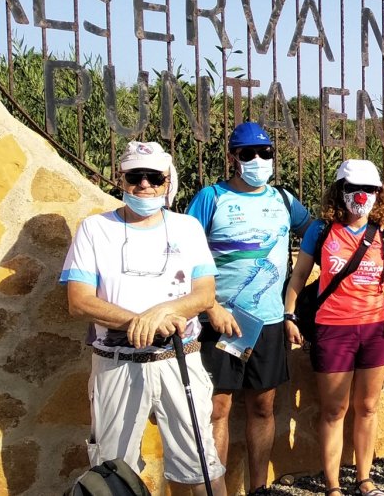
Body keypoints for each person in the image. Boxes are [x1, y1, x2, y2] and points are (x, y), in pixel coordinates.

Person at [62, 141, 228, 495]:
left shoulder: (187, 228)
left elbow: (205, 295)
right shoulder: (94, 229)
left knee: (200, 466)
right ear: (121, 179)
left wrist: (157, 314)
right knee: (111, 473)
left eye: (154, 177)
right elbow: (79, 301)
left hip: (178, 358)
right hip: (116, 361)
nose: (144, 185)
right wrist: (141, 321)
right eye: (135, 176)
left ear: (169, 182)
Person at [187, 122, 312, 494]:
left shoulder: (285, 201)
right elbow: (185, 252)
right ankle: (217, 489)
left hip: (270, 322)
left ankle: (259, 488)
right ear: (232, 157)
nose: (258, 160)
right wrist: (208, 307)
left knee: (263, 407)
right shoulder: (211, 198)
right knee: (218, 410)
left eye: (265, 153)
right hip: (219, 321)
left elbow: (318, 236)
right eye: (247, 153)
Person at [282, 159, 384, 496]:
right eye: (353, 188)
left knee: (367, 408)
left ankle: (365, 480)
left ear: (379, 193)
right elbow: (299, 276)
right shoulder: (321, 230)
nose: (361, 195)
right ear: (340, 190)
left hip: (375, 328)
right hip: (332, 329)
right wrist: (289, 315)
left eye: (369, 189)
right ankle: (333, 485)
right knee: (334, 410)